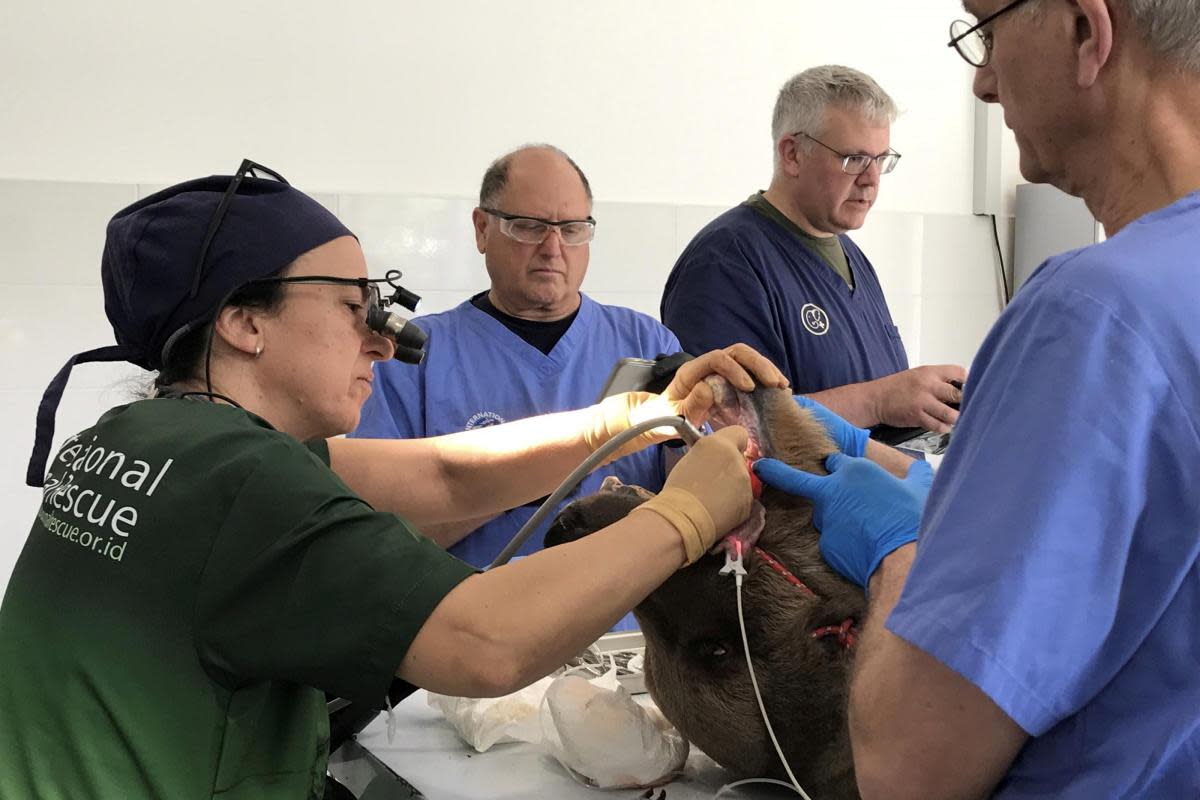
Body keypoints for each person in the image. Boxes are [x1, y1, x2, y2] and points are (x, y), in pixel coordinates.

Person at [0, 162, 787, 799]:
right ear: (243, 321)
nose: (384, 339)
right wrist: (686, 512)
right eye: (354, 305)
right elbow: (484, 642)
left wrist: (634, 417)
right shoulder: (242, 482)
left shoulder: (147, 436)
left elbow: (445, 474)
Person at [753, 2, 1200, 797]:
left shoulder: (1097, 314)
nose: (984, 82)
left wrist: (900, 553)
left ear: (1087, 33)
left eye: (987, 34)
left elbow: (908, 769)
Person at [353, 144, 683, 567]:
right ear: (481, 229)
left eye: (571, 229)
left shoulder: (646, 342)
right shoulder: (411, 359)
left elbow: (695, 508)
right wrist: (530, 477)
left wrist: (683, 439)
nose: (552, 246)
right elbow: (378, 539)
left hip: (627, 627)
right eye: (529, 227)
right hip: (474, 623)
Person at [660, 65, 966, 435]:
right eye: (854, 159)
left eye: (881, 160)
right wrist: (878, 400)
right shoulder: (725, 263)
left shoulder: (851, 257)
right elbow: (727, 426)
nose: (871, 180)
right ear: (792, 154)